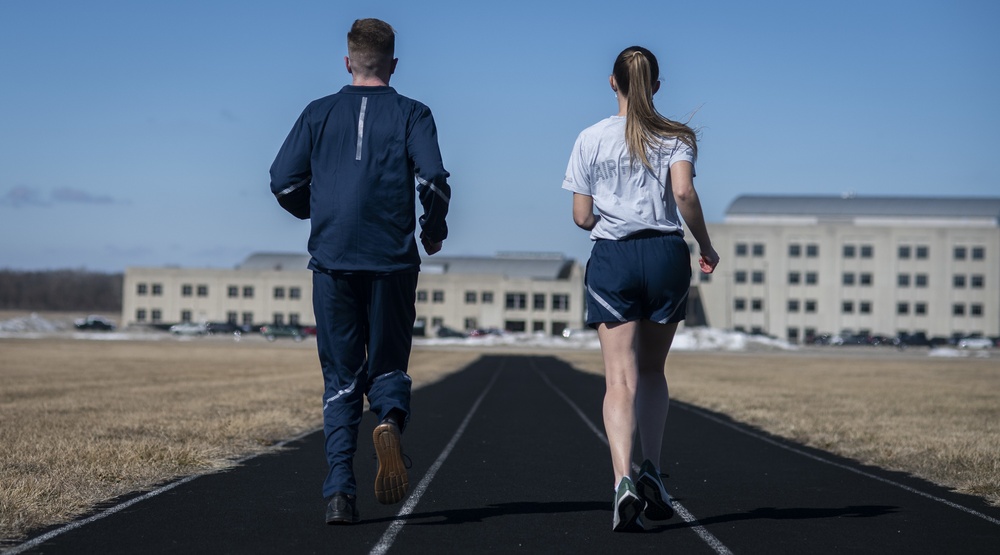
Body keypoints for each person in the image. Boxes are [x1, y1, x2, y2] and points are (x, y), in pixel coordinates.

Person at [269, 18, 451, 525]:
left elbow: (282, 181)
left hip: (332, 262)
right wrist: (432, 230)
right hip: (392, 260)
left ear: (347, 62)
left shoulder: (317, 113)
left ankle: (339, 492)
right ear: (394, 64)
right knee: (388, 360)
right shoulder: (414, 113)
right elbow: (434, 180)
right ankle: (389, 421)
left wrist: (318, 210)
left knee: (341, 375)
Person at [561, 46, 719, 532]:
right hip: (666, 255)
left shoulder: (589, 138)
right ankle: (652, 465)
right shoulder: (677, 136)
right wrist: (706, 246)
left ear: (614, 83)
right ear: (656, 85)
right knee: (653, 372)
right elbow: (684, 194)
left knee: (619, 380)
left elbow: (582, 217)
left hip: (615, 258)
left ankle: (622, 481)